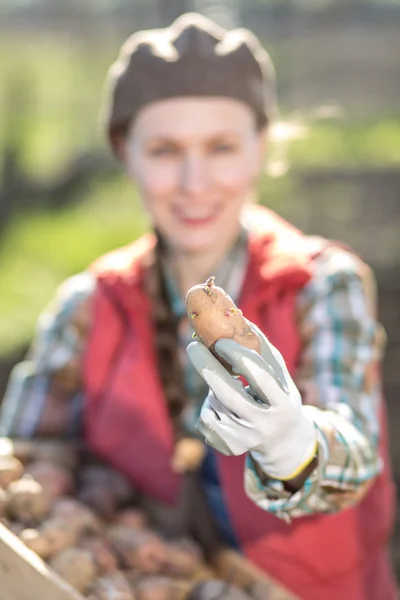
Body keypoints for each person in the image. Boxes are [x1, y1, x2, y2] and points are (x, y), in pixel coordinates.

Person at [0, 13, 397, 600]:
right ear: (124, 151)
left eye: (221, 147)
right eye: (164, 149)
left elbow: (357, 448)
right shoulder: (88, 304)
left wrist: (296, 445)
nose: (194, 181)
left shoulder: (320, 284)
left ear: (262, 147)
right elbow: (25, 452)